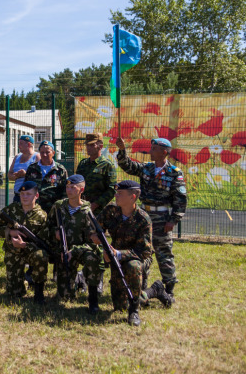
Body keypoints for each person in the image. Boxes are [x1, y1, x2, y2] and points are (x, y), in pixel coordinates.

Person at [116, 137, 187, 302]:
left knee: (164, 253)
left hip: (162, 217)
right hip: (144, 216)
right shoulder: (146, 168)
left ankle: (168, 289)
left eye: (154, 148)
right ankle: (141, 286)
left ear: (164, 152)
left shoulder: (174, 173)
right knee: (142, 251)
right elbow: (127, 165)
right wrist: (122, 150)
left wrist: (173, 220)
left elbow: (180, 199)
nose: (150, 151)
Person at [93, 180, 171, 326]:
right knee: (120, 306)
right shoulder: (111, 210)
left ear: (132, 197)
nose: (115, 195)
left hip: (138, 258)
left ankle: (134, 311)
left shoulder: (143, 219)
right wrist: (98, 240)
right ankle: (154, 290)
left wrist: (119, 254)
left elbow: (145, 251)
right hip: (116, 256)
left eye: (119, 193)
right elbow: (96, 229)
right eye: (116, 192)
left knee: (133, 267)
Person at [48, 175, 104, 314]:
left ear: (81, 190)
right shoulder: (58, 206)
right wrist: (54, 232)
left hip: (82, 251)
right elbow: (47, 226)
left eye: (73, 187)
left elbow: (91, 241)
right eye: (67, 187)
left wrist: (74, 251)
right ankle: (78, 279)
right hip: (63, 251)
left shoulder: (87, 210)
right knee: (65, 296)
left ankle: (93, 297)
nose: (69, 190)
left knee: (93, 258)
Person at [0, 181, 50, 303]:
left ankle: (39, 292)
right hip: (13, 252)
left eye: (28, 194)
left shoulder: (42, 216)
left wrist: (24, 245)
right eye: (22, 194)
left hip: (31, 251)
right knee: (14, 294)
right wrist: (9, 232)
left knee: (41, 256)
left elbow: (44, 241)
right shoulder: (11, 210)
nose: (24, 197)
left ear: (36, 196)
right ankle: (21, 284)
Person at [75, 133, 116, 214]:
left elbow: (112, 189)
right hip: (81, 206)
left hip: (98, 210)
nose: (88, 147)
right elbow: (76, 184)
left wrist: (95, 205)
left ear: (100, 146)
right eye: (87, 145)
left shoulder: (107, 165)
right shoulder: (83, 164)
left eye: (92, 145)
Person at [24, 140, 68, 214]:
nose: (44, 155)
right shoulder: (32, 168)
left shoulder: (60, 170)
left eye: (47, 152)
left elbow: (65, 190)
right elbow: (26, 187)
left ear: (53, 153)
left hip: (54, 209)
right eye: (42, 152)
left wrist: (60, 207)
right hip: (34, 209)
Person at [8, 135, 40, 203]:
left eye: (21, 143)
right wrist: (16, 176)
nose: (19, 146)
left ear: (28, 144)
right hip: (17, 195)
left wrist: (26, 174)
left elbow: (40, 176)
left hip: (30, 197)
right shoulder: (17, 157)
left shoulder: (36, 157)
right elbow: (9, 174)